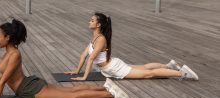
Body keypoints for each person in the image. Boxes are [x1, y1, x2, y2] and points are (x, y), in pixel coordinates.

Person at [0, 18, 130, 98]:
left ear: (8, 38)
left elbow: (3, 81)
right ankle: (105, 87)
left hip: (31, 91)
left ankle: (111, 93)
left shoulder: (14, 54)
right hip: (29, 85)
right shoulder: (8, 53)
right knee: (68, 92)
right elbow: (0, 76)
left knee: (72, 97)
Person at [64, 12, 199, 81]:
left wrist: (84, 77)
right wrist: (77, 70)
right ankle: (169, 65)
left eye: (92, 20)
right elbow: (84, 55)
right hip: (112, 65)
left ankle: (183, 73)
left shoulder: (100, 39)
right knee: (144, 67)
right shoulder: (95, 37)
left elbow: (91, 59)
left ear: (98, 25)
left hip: (113, 68)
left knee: (148, 73)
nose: (89, 21)